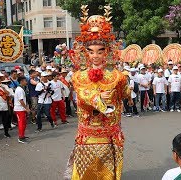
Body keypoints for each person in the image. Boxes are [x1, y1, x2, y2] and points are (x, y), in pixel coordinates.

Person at [64, 8, 133, 180]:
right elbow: (83, 95)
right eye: (91, 51)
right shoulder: (78, 76)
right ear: (84, 51)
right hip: (88, 133)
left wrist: (126, 88)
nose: (95, 56)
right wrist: (99, 99)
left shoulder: (117, 75)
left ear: (107, 51)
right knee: (85, 171)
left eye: (100, 51)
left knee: (107, 172)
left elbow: (124, 94)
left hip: (110, 133)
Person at [14, 76, 30, 144]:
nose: (26, 82)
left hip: (21, 109)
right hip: (19, 109)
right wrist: (26, 108)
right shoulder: (20, 90)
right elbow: (21, 100)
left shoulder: (21, 88)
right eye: (25, 81)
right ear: (21, 81)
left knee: (23, 123)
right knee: (21, 123)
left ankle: (22, 135)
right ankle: (20, 137)